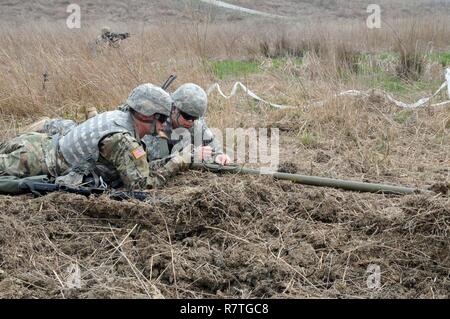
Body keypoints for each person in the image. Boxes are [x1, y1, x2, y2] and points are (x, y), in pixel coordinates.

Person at [0, 83, 187, 190]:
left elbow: (140, 166)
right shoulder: (123, 140)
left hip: (36, 143)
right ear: (147, 115)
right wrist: (177, 164)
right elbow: (140, 187)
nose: (164, 124)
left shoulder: (117, 116)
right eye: (162, 118)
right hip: (34, 161)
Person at [143, 83, 231, 167]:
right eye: (187, 116)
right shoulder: (158, 122)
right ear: (174, 109)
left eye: (195, 117)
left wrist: (218, 155)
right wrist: (192, 155)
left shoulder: (194, 120)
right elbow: (157, 164)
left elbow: (211, 143)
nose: (191, 121)